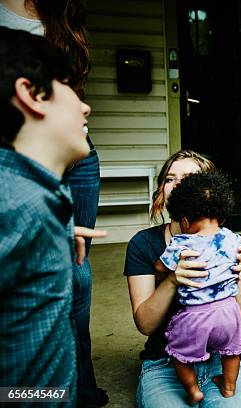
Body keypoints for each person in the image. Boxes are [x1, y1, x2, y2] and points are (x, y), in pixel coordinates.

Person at [0, 2, 105, 406]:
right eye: (65, 86)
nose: (85, 105)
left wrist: (56, 230)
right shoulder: (16, 205)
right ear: (31, 95)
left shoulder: (30, 193)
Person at [124, 150, 241, 408]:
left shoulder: (228, 242)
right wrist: (173, 280)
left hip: (220, 358)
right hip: (165, 361)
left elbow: (238, 317)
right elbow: (146, 325)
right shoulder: (143, 243)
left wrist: (237, 279)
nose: (177, 185)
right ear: (161, 190)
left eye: (189, 178)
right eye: (170, 179)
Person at [156, 171, 241, 405]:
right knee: (232, 352)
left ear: (184, 221)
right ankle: (228, 387)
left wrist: (165, 269)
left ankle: (193, 389)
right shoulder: (233, 240)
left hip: (196, 316)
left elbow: (160, 266)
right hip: (229, 312)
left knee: (179, 355)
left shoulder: (182, 243)